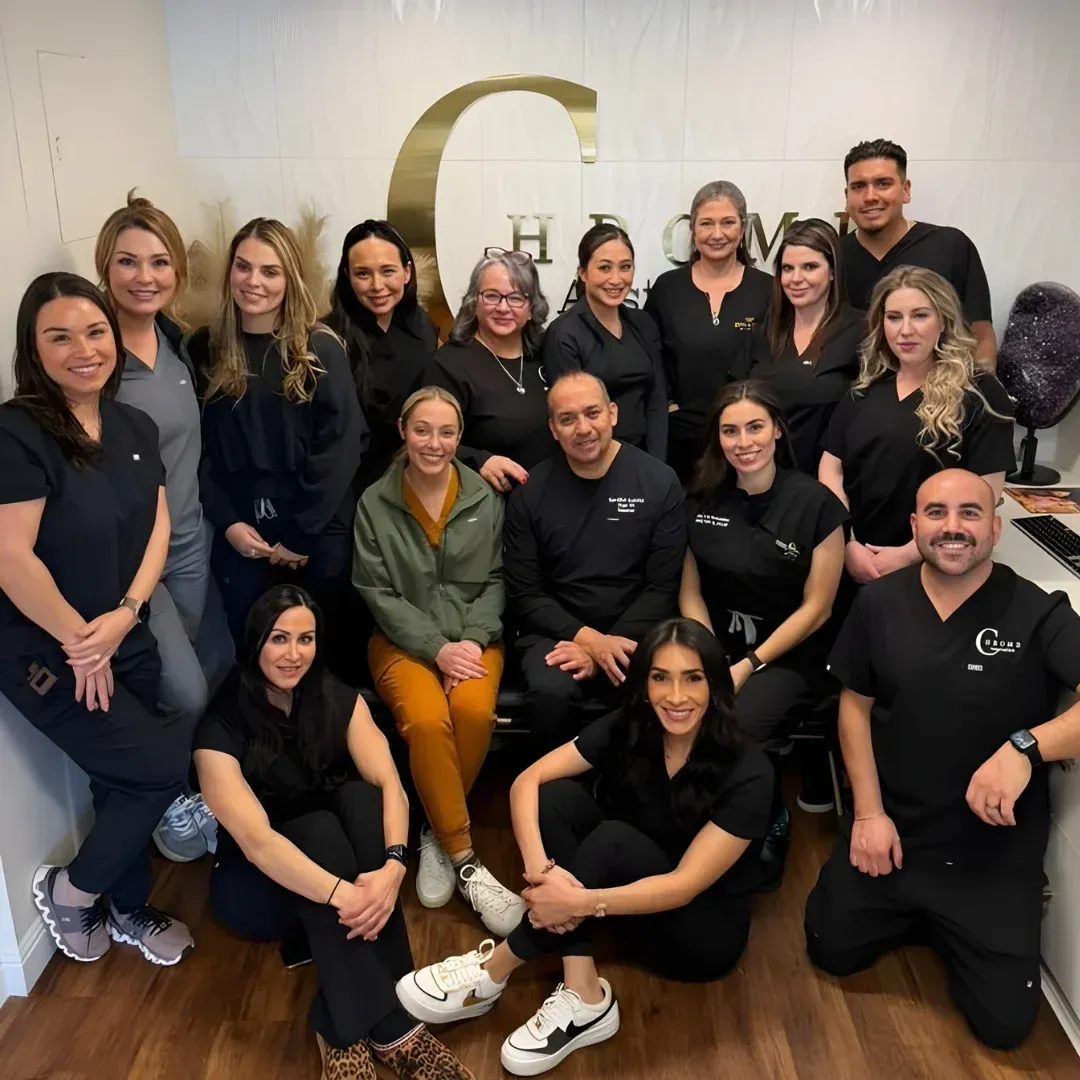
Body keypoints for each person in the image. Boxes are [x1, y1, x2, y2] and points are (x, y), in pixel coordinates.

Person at [397, 618, 773, 1077]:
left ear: (716, 684)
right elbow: (527, 782)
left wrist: (576, 901)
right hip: (618, 901)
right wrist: (543, 877)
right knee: (554, 799)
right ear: (644, 683)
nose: (676, 697)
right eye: (661, 678)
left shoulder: (750, 769)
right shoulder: (635, 724)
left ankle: (495, 969)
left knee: (612, 839)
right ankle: (585, 994)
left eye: (693, 678)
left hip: (697, 931)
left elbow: (683, 886)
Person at [805, 468, 1080, 1050]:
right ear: (914, 526)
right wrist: (868, 815)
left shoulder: (1039, 611)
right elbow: (853, 709)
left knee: (1004, 1027)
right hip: (896, 833)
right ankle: (921, 915)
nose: (952, 527)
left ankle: (953, 921)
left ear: (996, 528)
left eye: (969, 514)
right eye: (936, 513)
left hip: (990, 851)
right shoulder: (879, 603)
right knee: (830, 948)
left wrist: (1027, 748)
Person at [193, 585, 473, 1080]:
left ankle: (337, 1020)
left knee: (362, 799)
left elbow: (392, 785)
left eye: (306, 638)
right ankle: (395, 1025)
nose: (294, 654)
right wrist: (347, 895)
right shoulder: (219, 726)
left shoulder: (335, 696)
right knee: (317, 829)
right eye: (279, 639)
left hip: (342, 879)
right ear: (255, 640)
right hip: (258, 887)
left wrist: (392, 867)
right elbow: (259, 844)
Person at [0, 273, 193, 967]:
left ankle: (128, 909)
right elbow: (11, 558)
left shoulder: (132, 424)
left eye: (94, 332)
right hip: (44, 648)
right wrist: (80, 643)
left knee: (121, 777)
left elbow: (158, 526)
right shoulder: (16, 433)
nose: (83, 349)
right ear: (33, 350)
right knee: (160, 767)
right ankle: (74, 893)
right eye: (59, 337)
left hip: (120, 627)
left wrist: (126, 614)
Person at [352, 386, 523, 936]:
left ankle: (431, 830)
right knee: (426, 721)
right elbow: (377, 592)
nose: (434, 442)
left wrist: (470, 642)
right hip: (403, 644)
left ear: (460, 437)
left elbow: (498, 580)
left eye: (446, 431)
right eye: (422, 429)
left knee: (472, 714)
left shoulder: (483, 497)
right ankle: (467, 860)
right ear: (403, 432)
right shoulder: (375, 503)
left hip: (476, 642)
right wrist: (437, 649)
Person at [95, 191, 232, 864]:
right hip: (135, 558)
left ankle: (177, 784)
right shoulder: (99, 356)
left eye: (158, 261)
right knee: (180, 686)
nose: (143, 276)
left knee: (204, 668)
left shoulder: (176, 340)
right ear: (105, 268)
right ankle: (162, 800)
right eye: (127, 262)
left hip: (191, 541)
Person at [680, 380, 847, 886]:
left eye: (755, 426)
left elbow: (818, 608)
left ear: (777, 429)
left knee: (741, 724)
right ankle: (695, 821)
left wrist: (747, 666)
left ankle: (768, 816)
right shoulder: (700, 497)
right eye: (730, 430)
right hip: (718, 647)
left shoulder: (815, 504)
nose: (743, 441)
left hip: (793, 654)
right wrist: (707, 660)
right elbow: (690, 593)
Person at [190, 218, 368, 644]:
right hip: (240, 536)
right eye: (243, 267)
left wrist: (299, 535)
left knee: (314, 651)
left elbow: (339, 447)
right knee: (251, 650)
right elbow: (199, 450)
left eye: (270, 271)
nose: (254, 282)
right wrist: (229, 522)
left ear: (290, 279)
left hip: (312, 536)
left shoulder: (320, 348)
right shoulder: (205, 348)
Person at [504, 371, 686, 756]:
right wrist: (590, 642)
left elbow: (662, 587)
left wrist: (601, 650)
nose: (583, 428)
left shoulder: (659, 481)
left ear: (613, 414)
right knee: (550, 694)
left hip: (637, 630)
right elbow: (527, 594)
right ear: (553, 429)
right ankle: (553, 797)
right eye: (568, 419)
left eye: (592, 413)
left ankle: (628, 794)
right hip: (555, 633)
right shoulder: (530, 492)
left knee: (651, 690)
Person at [819, 266, 1014, 586]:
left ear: (943, 322)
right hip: (856, 560)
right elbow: (832, 468)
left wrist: (910, 554)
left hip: (934, 568)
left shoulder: (980, 393)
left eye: (920, 315)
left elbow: (984, 496)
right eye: (894, 317)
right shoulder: (864, 390)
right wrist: (846, 541)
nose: (905, 330)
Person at [644, 181, 773, 481]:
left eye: (727, 222)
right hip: (680, 440)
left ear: (742, 228)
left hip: (746, 443)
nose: (717, 234)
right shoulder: (667, 288)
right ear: (693, 231)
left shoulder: (768, 290)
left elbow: (774, 361)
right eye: (706, 224)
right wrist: (668, 406)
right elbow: (651, 356)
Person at [840, 139, 996, 369]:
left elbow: (980, 335)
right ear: (847, 196)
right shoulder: (831, 257)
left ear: (905, 190)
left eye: (883, 183)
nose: (870, 196)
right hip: (850, 397)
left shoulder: (950, 246)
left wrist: (976, 394)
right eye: (858, 186)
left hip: (935, 395)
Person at [324, 219, 438, 495]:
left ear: (407, 272)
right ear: (347, 276)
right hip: (349, 488)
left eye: (387, 271)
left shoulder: (424, 329)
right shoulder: (326, 340)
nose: (377, 286)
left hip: (415, 482)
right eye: (363, 274)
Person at [426, 248, 552, 493]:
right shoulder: (450, 364)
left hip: (552, 501)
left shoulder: (547, 352)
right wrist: (480, 460)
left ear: (531, 308)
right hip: (487, 504)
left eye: (516, 298)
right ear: (474, 302)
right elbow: (428, 439)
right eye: (492, 296)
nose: (503, 308)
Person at [746, 218, 864, 475]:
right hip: (763, 481)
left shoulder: (861, 330)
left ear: (833, 271)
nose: (796, 279)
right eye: (788, 269)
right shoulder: (765, 331)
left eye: (809, 267)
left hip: (829, 482)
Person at [541, 224, 667, 458]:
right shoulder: (564, 333)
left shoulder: (643, 323)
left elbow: (657, 398)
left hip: (647, 458)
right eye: (604, 268)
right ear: (583, 272)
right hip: (594, 461)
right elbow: (573, 418)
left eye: (625, 267)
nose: (616, 279)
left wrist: (657, 465)